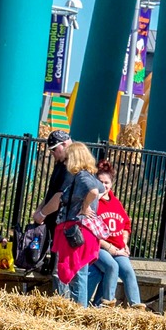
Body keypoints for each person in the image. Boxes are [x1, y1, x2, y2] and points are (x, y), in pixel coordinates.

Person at [52, 142, 106, 303]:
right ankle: (78, 308)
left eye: (68, 158)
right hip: (82, 230)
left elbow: (95, 191)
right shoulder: (90, 175)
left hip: (77, 230)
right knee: (79, 272)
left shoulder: (82, 176)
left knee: (77, 272)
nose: (66, 162)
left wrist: (85, 207)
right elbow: (102, 191)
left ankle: (78, 311)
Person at [88, 166, 142, 308]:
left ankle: (136, 305)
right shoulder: (93, 201)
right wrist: (110, 248)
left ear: (112, 183)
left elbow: (126, 225)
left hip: (118, 248)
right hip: (99, 247)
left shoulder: (116, 202)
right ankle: (107, 302)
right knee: (112, 266)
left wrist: (124, 243)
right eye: (100, 182)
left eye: (107, 182)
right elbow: (90, 229)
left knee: (128, 271)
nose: (104, 186)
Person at [29, 129, 73, 225]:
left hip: (61, 221)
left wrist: (42, 214)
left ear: (64, 144)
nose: (52, 153)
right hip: (51, 219)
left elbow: (60, 195)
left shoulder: (71, 166)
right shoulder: (60, 163)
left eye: (54, 149)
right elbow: (52, 191)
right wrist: (40, 209)